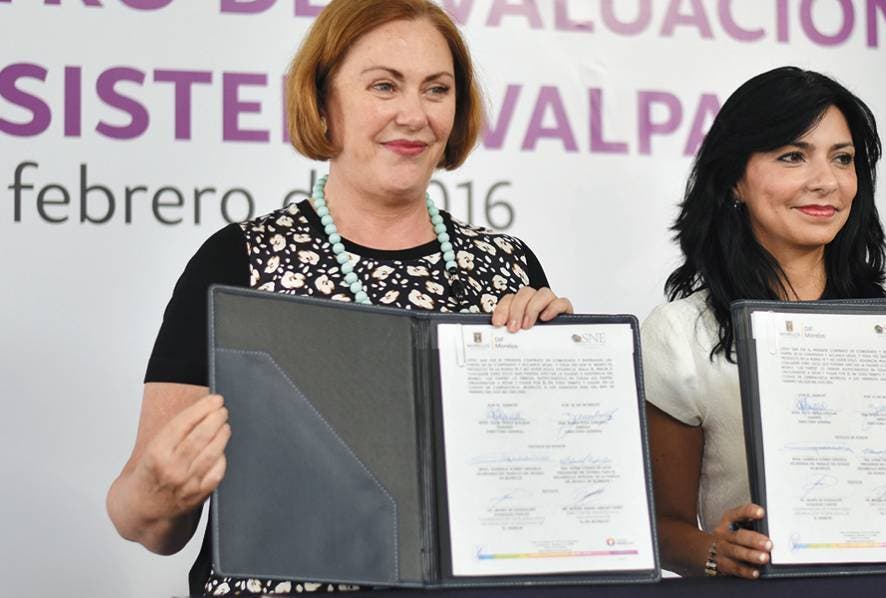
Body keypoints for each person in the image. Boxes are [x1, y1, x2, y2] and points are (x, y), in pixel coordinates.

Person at [105, 1, 572, 594]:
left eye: (436, 89)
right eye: (384, 86)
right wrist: (157, 491)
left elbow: (542, 495)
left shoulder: (507, 266)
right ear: (323, 101)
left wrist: (565, 367)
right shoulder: (237, 262)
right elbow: (145, 522)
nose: (414, 114)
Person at [641, 67, 886, 579]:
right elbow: (662, 527)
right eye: (793, 156)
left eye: (842, 158)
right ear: (735, 179)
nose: (826, 181)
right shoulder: (681, 333)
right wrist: (716, 552)